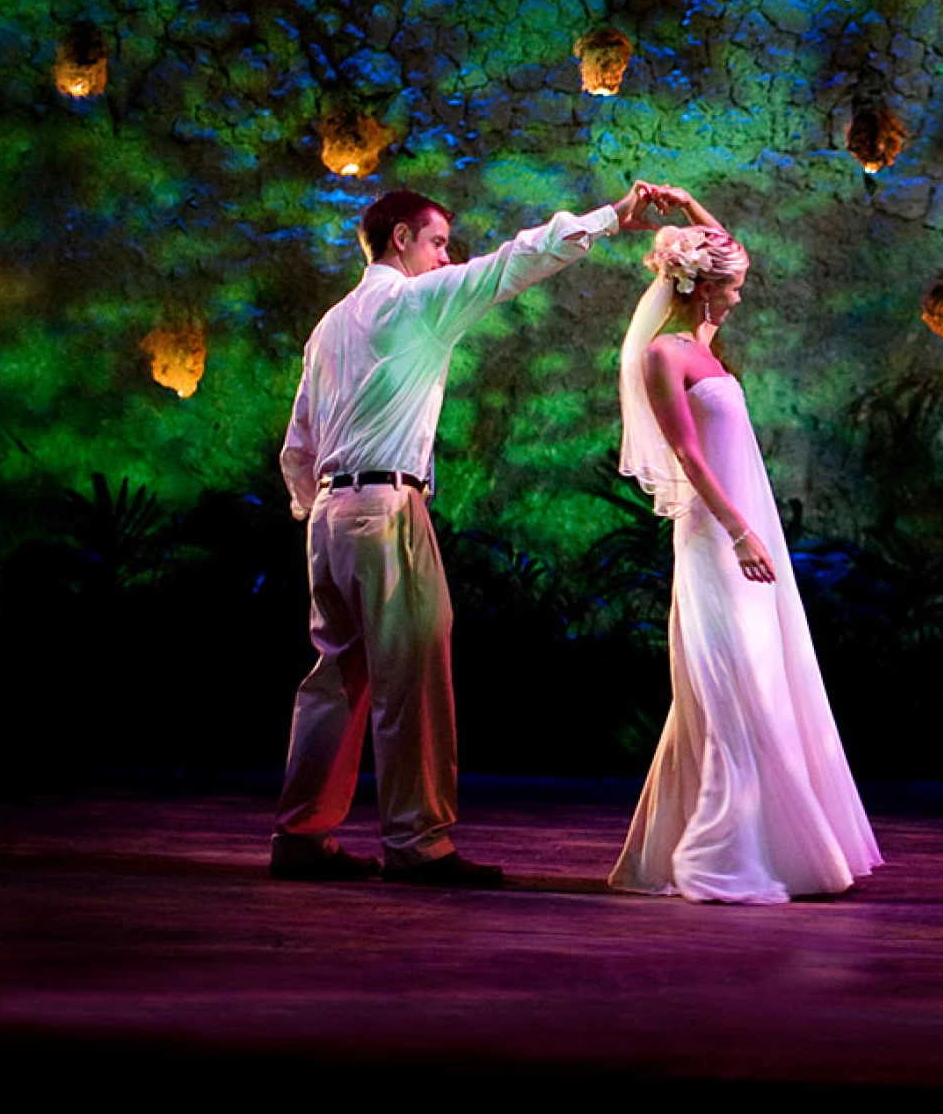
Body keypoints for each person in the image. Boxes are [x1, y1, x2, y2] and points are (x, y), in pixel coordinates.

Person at [273, 181, 671, 886]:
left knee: (333, 680)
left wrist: (318, 509)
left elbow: (298, 442)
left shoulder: (330, 323)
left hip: (331, 517)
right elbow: (513, 262)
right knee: (413, 674)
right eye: (435, 242)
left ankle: (301, 834)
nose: (443, 256)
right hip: (383, 507)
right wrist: (612, 217)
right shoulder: (412, 303)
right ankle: (418, 844)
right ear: (401, 238)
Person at [609, 187, 882, 902]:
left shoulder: (702, 343)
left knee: (757, 676)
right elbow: (688, 457)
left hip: (742, 528)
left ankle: (743, 843)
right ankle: (719, 850)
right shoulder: (665, 356)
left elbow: (726, 246)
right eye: (731, 287)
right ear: (703, 290)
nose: (739, 297)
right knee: (730, 685)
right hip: (714, 538)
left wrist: (691, 203)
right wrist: (738, 532)